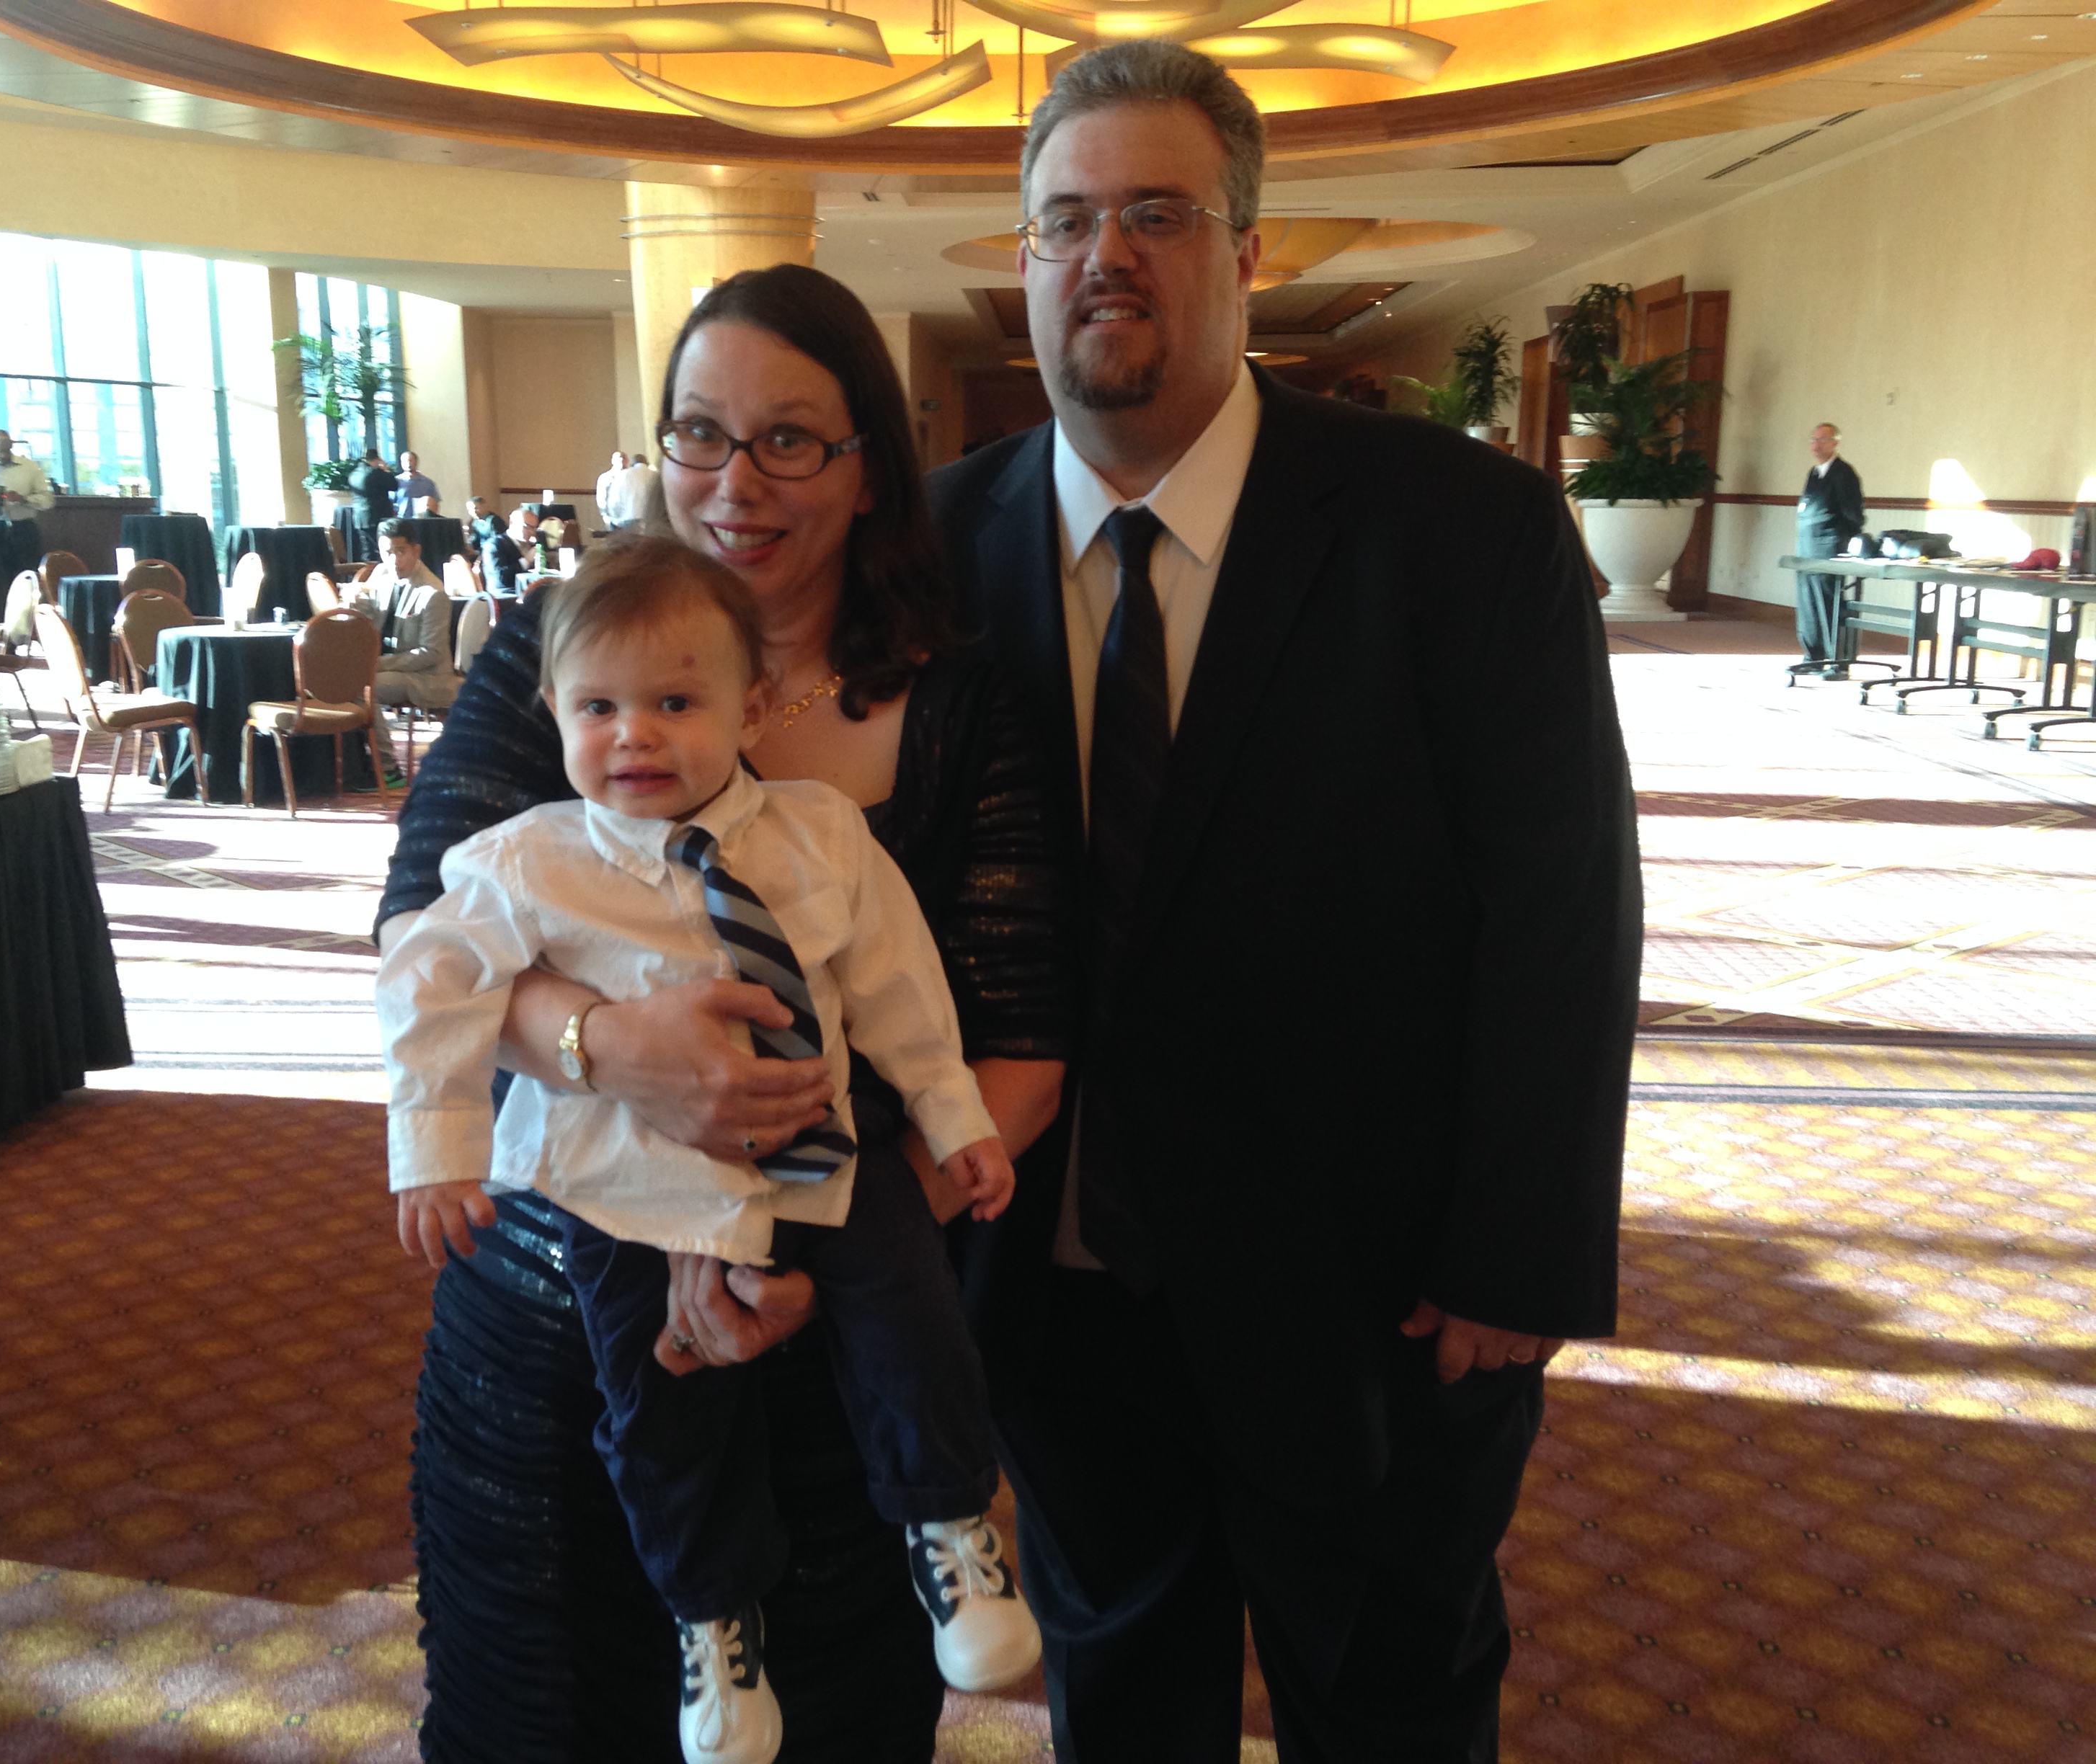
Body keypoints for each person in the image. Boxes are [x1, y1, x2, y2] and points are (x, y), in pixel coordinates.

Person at [928, 44, 1638, 1760]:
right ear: (1024, 257)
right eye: (1065, 220)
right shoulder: (931, 551)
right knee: (1122, 1702)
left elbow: (1562, 911)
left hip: (1376, 1306)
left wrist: (1520, 1248)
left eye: (1157, 215)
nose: (1104, 256)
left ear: (1248, 252)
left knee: (1390, 1702)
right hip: (1062, 1290)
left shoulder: (1464, 531)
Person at [376, 264, 1071, 1760]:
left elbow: (1015, 1033)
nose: (733, 481)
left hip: (849, 1333)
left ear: (869, 465)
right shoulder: (566, 648)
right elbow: (427, 937)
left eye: (788, 439)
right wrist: (605, 1046)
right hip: (559, 1316)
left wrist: (786, 1235)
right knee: (545, 1713)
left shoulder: (957, 702)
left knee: (830, 1722)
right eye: (699, 432)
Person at [353, 517, 456, 776]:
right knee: (341, 679)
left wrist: (375, 664)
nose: (394, 561)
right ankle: (356, 763)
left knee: (363, 688)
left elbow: (430, 654)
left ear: (416, 551)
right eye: (387, 553)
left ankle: (387, 769)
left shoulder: (433, 593)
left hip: (427, 677)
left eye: (400, 552)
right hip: (390, 666)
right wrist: (354, 604)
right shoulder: (382, 574)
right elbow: (370, 618)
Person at [1793, 422, 1865, 677]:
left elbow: (1853, 514)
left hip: (1829, 547)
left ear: (1835, 443)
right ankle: (1812, 657)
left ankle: (1837, 661)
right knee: (1808, 604)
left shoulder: (1844, 473)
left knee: (1829, 604)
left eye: (1822, 440)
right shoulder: (1814, 473)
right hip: (1807, 547)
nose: (1816, 444)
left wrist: (1842, 541)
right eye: (1813, 439)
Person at [0, 428, 53, 575]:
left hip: (24, 529)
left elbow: (48, 500)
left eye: (6, 449)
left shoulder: (29, 467)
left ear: (11, 445)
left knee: (29, 575)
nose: (3, 454)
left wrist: (23, 499)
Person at [350, 449, 400, 526]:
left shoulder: (354, 474)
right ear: (377, 459)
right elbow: (394, 485)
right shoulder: (376, 473)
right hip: (376, 517)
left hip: (359, 518)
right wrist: (387, 470)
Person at [396, 449, 443, 517]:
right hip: (402, 520)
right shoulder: (396, 482)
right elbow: (391, 503)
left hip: (423, 520)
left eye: (410, 460)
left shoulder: (428, 483)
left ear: (416, 462)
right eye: (404, 461)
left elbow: (435, 503)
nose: (408, 463)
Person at [596, 447, 631, 527]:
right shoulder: (605, 477)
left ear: (627, 461)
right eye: (619, 458)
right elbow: (601, 498)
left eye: (624, 458)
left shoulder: (633, 477)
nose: (621, 460)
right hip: (613, 517)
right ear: (613, 461)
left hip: (631, 517)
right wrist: (605, 516)